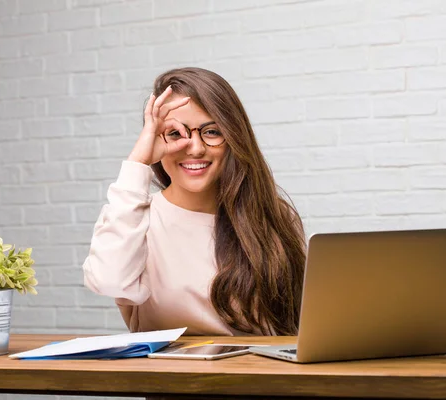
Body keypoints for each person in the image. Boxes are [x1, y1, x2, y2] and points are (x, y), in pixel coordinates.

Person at [82, 67, 307, 336]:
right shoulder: (134, 218)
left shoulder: (271, 215)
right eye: (176, 134)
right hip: (172, 375)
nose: (196, 148)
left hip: (262, 373)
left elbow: (296, 323)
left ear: (234, 138)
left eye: (211, 132)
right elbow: (109, 281)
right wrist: (137, 163)